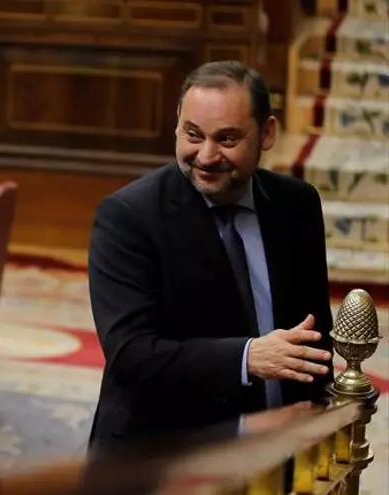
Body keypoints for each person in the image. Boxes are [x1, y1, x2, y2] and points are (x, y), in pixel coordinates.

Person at [87, 61, 335, 448]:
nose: (206, 155)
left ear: (267, 133)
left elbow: (313, 335)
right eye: (193, 134)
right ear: (177, 125)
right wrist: (247, 357)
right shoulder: (129, 216)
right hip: (164, 456)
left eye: (227, 139)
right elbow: (131, 354)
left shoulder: (296, 205)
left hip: (281, 449)